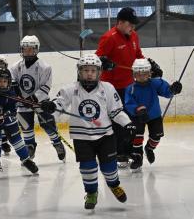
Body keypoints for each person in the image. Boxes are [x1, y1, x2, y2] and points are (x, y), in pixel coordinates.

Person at [40, 54, 136, 210]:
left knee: (109, 168)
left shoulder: (108, 88)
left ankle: (114, 185)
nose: (89, 73)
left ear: (99, 72)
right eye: (86, 70)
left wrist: (128, 124)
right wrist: (50, 108)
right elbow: (58, 105)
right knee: (88, 168)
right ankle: (91, 193)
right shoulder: (70, 89)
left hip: (106, 136)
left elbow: (116, 111)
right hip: (81, 137)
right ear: (79, 71)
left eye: (93, 70)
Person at [95, 7, 163, 167]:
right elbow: (97, 59)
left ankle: (129, 151)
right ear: (119, 22)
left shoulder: (133, 36)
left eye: (133, 24)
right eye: (129, 24)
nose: (132, 27)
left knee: (132, 121)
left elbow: (138, 55)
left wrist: (148, 66)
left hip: (130, 86)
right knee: (117, 122)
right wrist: (104, 62)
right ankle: (118, 153)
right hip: (113, 88)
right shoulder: (109, 38)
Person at [0, 67, 39, 177]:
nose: (2, 84)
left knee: (16, 139)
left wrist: (4, 116)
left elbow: (12, 110)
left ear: (9, 82)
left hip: (8, 121)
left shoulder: (11, 94)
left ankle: (26, 160)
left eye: (5, 81)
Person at [10, 35, 66, 161]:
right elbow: (13, 83)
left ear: (36, 50)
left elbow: (46, 86)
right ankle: (30, 145)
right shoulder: (15, 67)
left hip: (41, 102)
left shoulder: (45, 67)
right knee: (25, 125)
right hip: (22, 102)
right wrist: (18, 95)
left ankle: (57, 142)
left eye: (31, 49)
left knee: (47, 124)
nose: (28, 51)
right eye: (25, 49)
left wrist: (34, 99)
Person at [124, 58, 182, 171]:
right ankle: (137, 157)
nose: (141, 76)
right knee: (137, 136)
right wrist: (137, 110)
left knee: (156, 136)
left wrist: (172, 89)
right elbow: (128, 103)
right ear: (134, 74)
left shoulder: (155, 83)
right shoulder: (130, 88)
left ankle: (149, 148)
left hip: (154, 116)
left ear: (150, 73)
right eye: (138, 73)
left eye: (144, 73)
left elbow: (166, 91)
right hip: (138, 116)